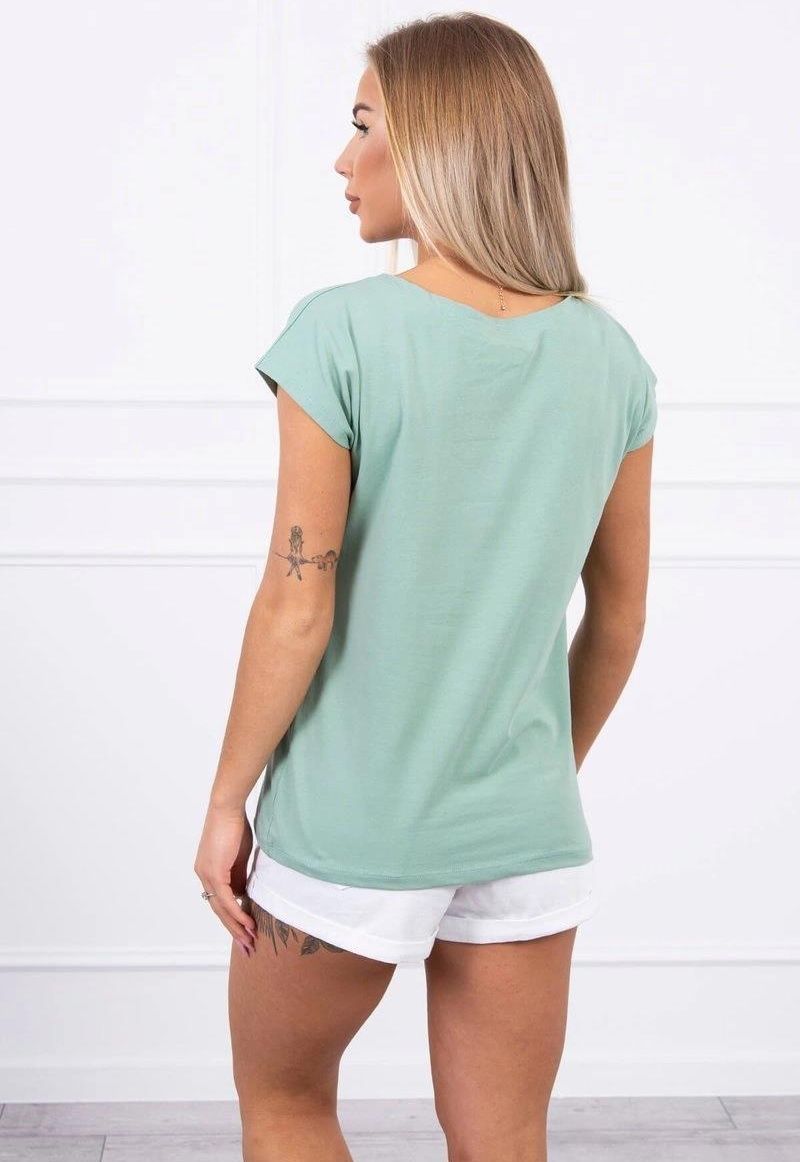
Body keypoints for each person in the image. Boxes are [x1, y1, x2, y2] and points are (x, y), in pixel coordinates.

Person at [194, 12, 657, 1162]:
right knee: (504, 1138)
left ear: (439, 143)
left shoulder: (341, 333)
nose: (340, 159)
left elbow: (296, 601)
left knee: (287, 1106)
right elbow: (619, 615)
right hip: (524, 832)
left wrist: (226, 801)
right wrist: (526, 775)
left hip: (348, 828)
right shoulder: (609, 357)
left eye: (363, 127)